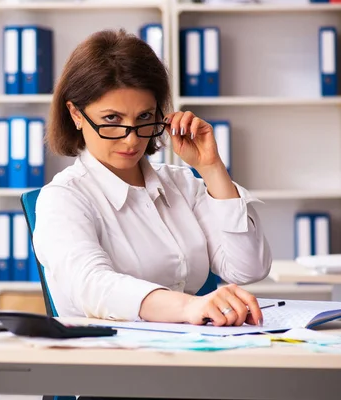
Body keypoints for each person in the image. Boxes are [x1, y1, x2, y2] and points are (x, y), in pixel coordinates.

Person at [33, 28, 272, 333]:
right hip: (109, 359)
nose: (131, 139)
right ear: (76, 115)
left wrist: (212, 168)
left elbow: (248, 268)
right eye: (111, 119)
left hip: (187, 350)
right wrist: (189, 306)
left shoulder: (181, 184)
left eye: (145, 117)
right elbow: (92, 285)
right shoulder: (63, 198)